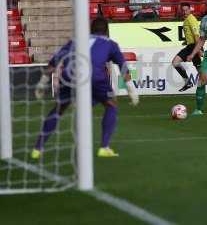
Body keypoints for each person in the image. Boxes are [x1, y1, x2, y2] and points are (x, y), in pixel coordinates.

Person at [31, 17, 139, 159]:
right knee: (111, 104)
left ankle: (37, 149)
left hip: (69, 76)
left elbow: (55, 60)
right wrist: (131, 90)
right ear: (107, 30)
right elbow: (123, 67)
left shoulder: (75, 41)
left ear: (91, 29)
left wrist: (42, 82)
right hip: (95, 77)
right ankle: (104, 147)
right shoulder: (111, 44)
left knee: (58, 109)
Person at [172, 3, 202, 92]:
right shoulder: (186, 20)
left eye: (186, 10)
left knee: (200, 69)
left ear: (190, 10)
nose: (185, 12)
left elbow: (196, 35)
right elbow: (191, 34)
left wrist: (199, 49)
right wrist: (187, 41)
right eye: (183, 10)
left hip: (194, 46)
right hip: (190, 46)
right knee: (175, 62)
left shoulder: (191, 19)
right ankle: (188, 82)